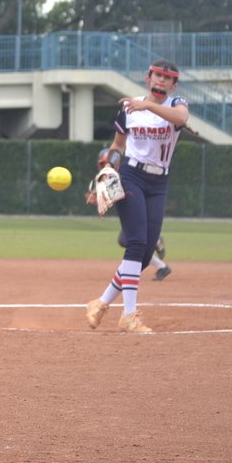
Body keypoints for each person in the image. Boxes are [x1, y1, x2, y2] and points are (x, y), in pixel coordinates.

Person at [85, 59, 189, 333]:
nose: (161, 81)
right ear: (148, 78)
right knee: (135, 244)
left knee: (143, 256)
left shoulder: (177, 104)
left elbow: (181, 119)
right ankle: (129, 316)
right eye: (157, 76)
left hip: (159, 182)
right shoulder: (128, 110)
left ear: (174, 84)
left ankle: (101, 302)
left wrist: (148, 106)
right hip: (131, 176)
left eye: (167, 78)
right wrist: (104, 180)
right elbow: (117, 147)